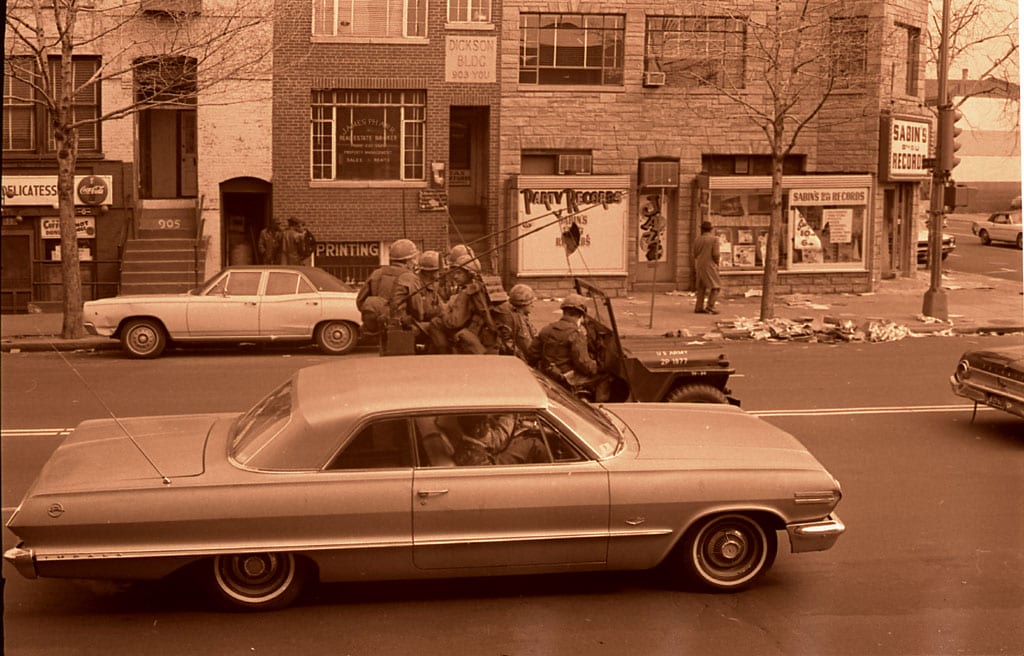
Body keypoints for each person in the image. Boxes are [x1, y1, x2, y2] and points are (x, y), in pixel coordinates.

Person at [527, 292, 608, 401]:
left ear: (564, 312)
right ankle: (597, 409)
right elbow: (583, 364)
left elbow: (532, 354)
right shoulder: (576, 334)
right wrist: (597, 367)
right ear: (581, 315)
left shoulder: (547, 329)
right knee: (606, 378)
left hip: (548, 374)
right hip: (566, 379)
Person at [426, 253, 490, 354]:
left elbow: (453, 322)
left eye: (459, 273)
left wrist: (443, 311)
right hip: (477, 330)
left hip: (465, 333)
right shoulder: (481, 287)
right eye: (454, 273)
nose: (455, 276)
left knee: (435, 323)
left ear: (469, 274)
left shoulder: (466, 293)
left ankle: (444, 356)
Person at [356, 238, 419, 336]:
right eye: (413, 259)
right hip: (401, 327)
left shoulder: (376, 273)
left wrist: (377, 313)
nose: (415, 262)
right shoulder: (410, 277)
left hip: (378, 327)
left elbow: (360, 301)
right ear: (407, 261)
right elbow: (417, 309)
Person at [391, 250, 443, 349]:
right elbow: (421, 312)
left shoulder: (429, 284)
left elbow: (440, 306)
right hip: (411, 325)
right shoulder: (416, 283)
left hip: (414, 322)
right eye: (438, 271)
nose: (440, 274)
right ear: (431, 272)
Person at [494, 283, 537, 361]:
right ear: (524, 304)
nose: (533, 306)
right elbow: (527, 345)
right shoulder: (518, 320)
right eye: (531, 303)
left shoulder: (518, 315)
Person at [693, 220, 722, 314]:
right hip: (709, 264)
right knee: (716, 286)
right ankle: (710, 306)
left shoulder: (697, 239)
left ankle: (699, 306)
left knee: (701, 286)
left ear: (702, 229)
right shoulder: (714, 239)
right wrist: (717, 263)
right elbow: (715, 254)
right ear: (711, 229)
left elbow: (695, 253)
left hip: (699, 264)